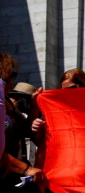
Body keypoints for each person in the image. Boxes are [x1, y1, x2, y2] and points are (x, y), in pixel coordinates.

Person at [0, 53, 45, 191]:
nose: (11, 81)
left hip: (14, 172)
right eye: (10, 76)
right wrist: (25, 169)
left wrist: (33, 107)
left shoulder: (7, 102)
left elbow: (26, 132)